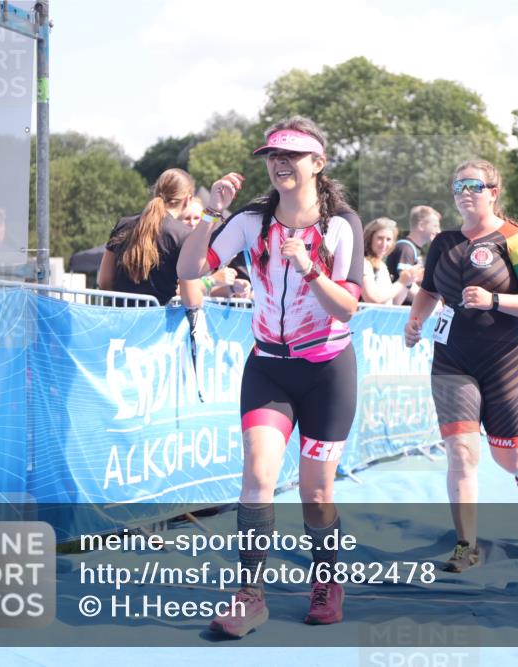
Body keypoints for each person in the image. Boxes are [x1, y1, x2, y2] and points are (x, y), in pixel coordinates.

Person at [177, 116, 363, 637]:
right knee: (258, 476)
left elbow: (347, 307)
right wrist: (212, 213)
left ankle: (327, 581)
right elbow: (189, 271)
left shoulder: (341, 225)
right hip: (270, 370)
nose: (279, 163)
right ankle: (250, 594)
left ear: (317, 164)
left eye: (292, 155)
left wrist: (309, 267)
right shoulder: (251, 220)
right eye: (273, 155)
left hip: (327, 370)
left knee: (315, 493)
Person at [403, 159, 518, 573]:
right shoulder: (444, 242)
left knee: (508, 456)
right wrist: (414, 321)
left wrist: (494, 301)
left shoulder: (516, 240)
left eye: (474, 185)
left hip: (506, 360)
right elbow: (429, 291)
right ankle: (466, 546)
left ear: (493, 191)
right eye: (458, 187)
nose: (465, 193)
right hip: (453, 359)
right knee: (462, 452)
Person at [99, 168, 235, 305]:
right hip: (159, 323)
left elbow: (104, 282)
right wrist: (209, 282)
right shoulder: (184, 235)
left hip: (120, 320)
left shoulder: (123, 224)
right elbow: (192, 300)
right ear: (188, 200)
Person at [386, 205, 441, 305]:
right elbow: (407, 282)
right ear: (421, 226)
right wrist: (431, 301)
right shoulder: (406, 248)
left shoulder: (414, 250)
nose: (439, 231)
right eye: (435, 226)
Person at [361, 217, 422, 304]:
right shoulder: (363, 263)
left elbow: (394, 303)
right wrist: (401, 282)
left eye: (388, 239)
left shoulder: (382, 266)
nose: (384, 244)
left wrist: (408, 281)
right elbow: (374, 299)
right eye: (380, 238)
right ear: (370, 238)